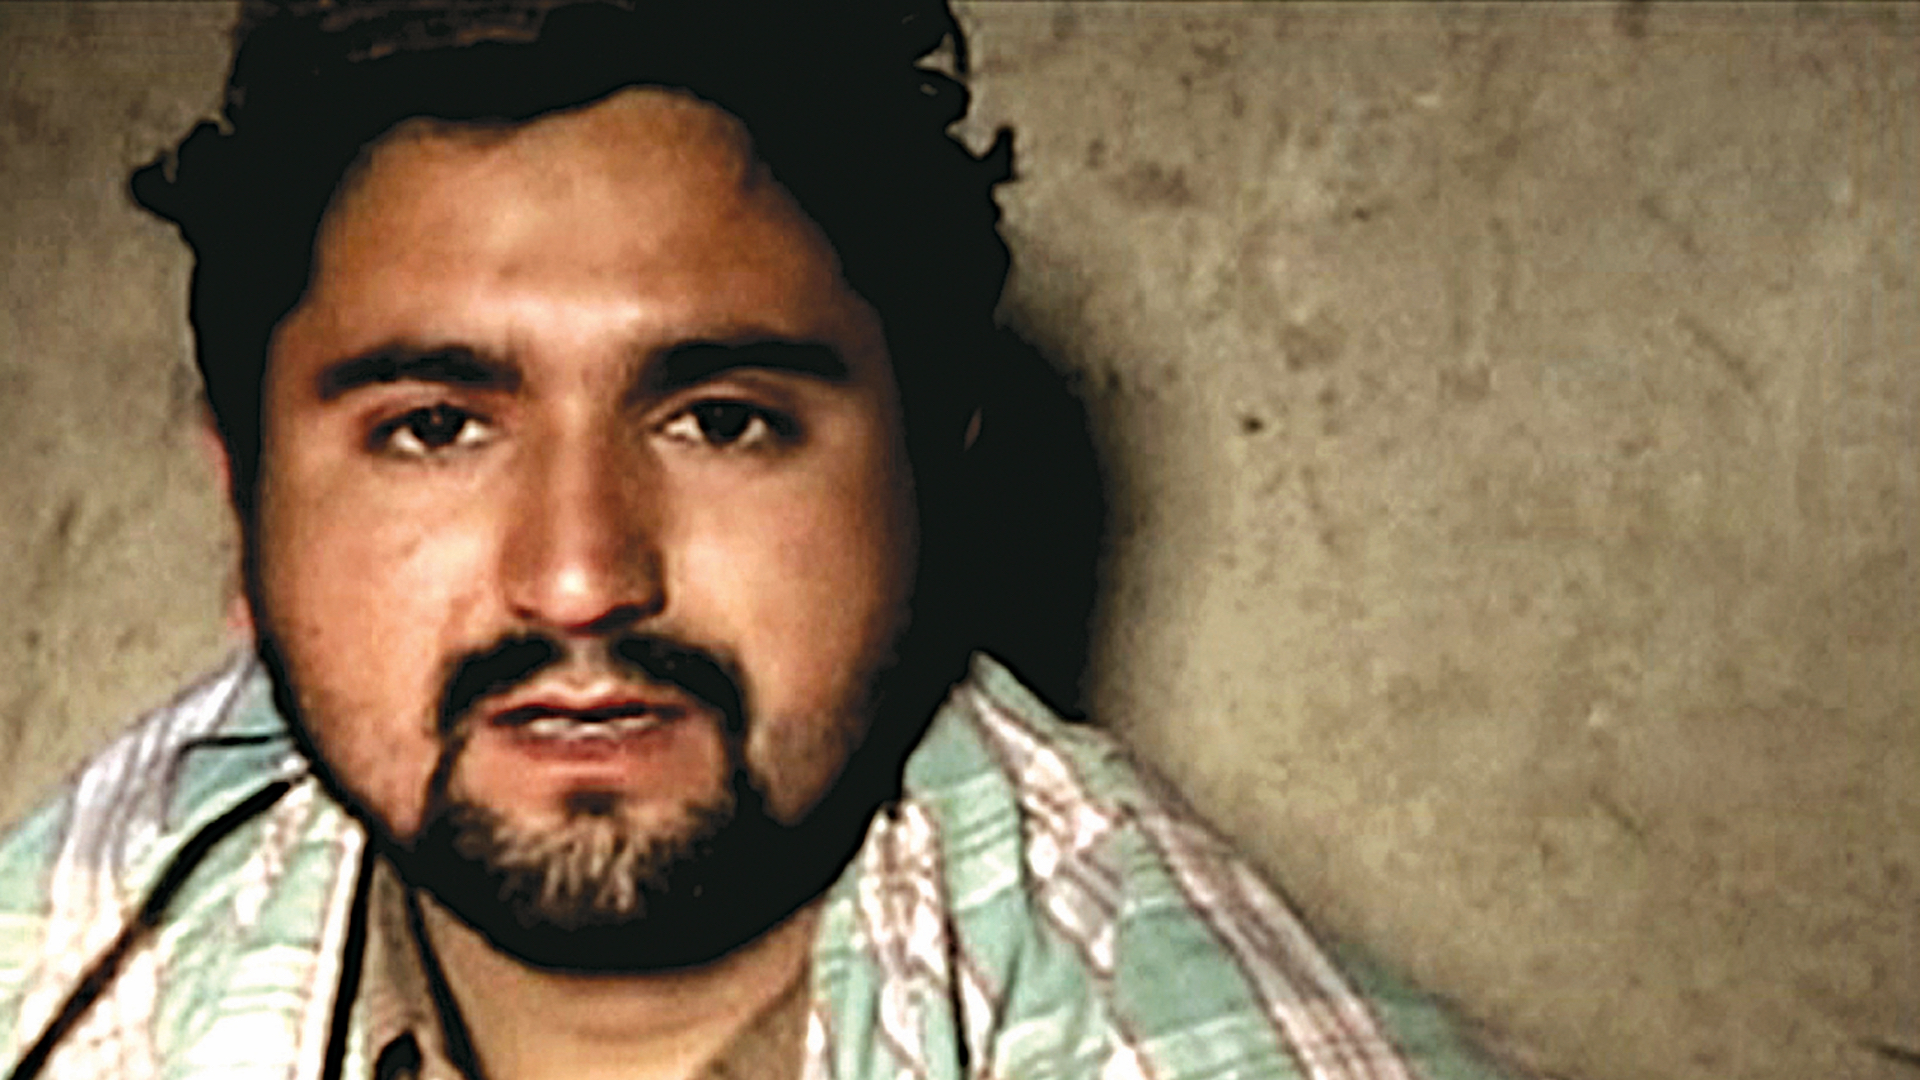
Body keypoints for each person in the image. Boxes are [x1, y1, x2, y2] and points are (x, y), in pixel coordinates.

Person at [0, 3, 1524, 1078]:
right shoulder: (59, 969)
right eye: (436, 428)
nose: (580, 578)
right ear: (243, 512)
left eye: (721, 420)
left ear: (933, 485)